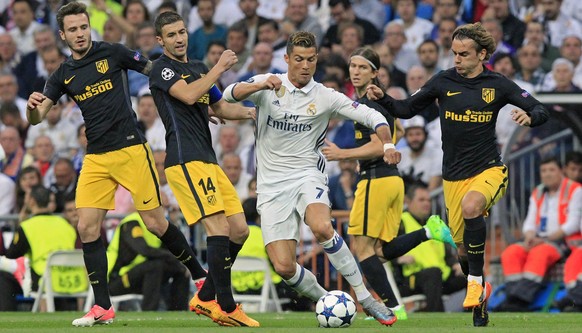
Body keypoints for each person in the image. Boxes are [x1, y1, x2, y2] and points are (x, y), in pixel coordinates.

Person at [25, 2, 207, 326]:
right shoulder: (62, 74)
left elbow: (156, 72)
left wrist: (197, 99)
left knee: (155, 223)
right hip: (96, 156)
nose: (81, 34)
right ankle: (103, 307)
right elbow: (38, 117)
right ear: (62, 34)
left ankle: (200, 275)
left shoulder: (114, 52)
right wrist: (33, 109)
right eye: (74, 30)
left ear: (88, 27)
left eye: (84, 27)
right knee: (86, 226)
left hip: (131, 149)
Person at [366, 22, 550, 326]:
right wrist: (382, 97)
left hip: (489, 169)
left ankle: (475, 285)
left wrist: (530, 116)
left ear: (482, 54)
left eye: (463, 54)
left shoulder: (499, 85)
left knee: (472, 207)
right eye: (454, 53)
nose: (457, 59)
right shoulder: (442, 81)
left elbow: (540, 109)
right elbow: (406, 109)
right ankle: (480, 297)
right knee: (464, 252)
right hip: (452, 178)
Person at [223, 31, 401, 326]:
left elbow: (373, 117)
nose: (305, 66)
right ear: (287, 59)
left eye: (310, 60)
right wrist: (259, 85)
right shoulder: (269, 83)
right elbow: (228, 94)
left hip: (308, 174)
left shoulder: (325, 96)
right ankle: (327, 299)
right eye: (299, 60)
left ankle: (366, 298)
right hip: (271, 185)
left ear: (316, 60)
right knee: (283, 266)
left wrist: (388, 143)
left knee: (320, 227)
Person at [321, 47, 456, 319]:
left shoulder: (368, 105)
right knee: (378, 251)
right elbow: (399, 130)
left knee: (362, 249)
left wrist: (343, 154)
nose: (355, 72)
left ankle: (392, 307)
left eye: (362, 67)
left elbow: (377, 144)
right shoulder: (382, 102)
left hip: (375, 181)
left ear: (374, 72)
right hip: (391, 182)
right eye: (353, 66)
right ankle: (428, 232)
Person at [149, 12, 258, 327]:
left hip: (208, 159)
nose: (179, 39)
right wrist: (220, 67)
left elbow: (220, 106)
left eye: (182, 32)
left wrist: (253, 113)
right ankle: (226, 306)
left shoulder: (197, 68)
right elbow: (188, 94)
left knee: (239, 229)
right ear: (161, 41)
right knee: (218, 229)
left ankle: (206, 296)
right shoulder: (162, 68)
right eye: (171, 35)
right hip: (184, 160)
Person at [500, 157, 582, 311]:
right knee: (511, 252)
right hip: (538, 239)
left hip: (562, 241)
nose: (547, 174)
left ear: (561, 171)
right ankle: (512, 298)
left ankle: (521, 300)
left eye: (552, 170)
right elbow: (530, 222)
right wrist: (530, 235)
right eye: (544, 171)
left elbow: (573, 224)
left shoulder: (575, 189)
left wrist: (543, 239)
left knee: (540, 252)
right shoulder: (538, 191)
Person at [3, 185, 83, 311]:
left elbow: (12, 256)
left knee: (3, 276)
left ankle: (5, 315)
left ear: (32, 202)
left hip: (43, 280)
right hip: (73, 280)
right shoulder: (66, 225)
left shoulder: (27, 227)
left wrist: (20, 224)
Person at [394, 184, 467, 312]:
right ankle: (438, 317)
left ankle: (475, 315)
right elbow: (385, 249)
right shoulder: (401, 222)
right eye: (421, 200)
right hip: (411, 279)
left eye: (428, 200)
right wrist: (397, 259)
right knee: (433, 273)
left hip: (440, 277)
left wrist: (456, 264)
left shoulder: (435, 224)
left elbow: (447, 255)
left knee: (472, 272)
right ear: (408, 201)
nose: (426, 203)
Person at [107, 212, 190, 311]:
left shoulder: (159, 226)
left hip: (144, 278)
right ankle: (149, 311)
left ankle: (178, 312)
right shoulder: (132, 222)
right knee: (155, 266)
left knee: (181, 270)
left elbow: (169, 252)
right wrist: (171, 257)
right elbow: (142, 249)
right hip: (116, 279)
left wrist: (182, 265)